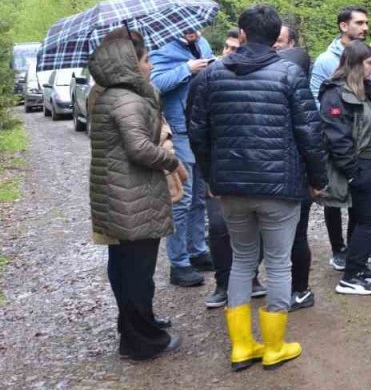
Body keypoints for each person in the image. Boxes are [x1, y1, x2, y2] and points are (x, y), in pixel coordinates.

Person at [188, 5, 328, 370]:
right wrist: (318, 180)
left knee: (242, 260)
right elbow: (309, 133)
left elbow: (197, 133)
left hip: (230, 187)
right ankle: (274, 345)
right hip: (279, 187)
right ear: (276, 35)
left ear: (243, 34)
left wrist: (210, 177)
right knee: (279, 263)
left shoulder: (209, 76)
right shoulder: (290, 74)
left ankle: (241, 345)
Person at [88, 28, 185, 361]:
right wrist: (172, 160)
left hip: (117, 195)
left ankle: (134, 327)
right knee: (137, 272)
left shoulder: (108, 95)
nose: (149, 66)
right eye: (145, 60)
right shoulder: (126, 100)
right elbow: (140, 148)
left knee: (127, 266)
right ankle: (143, 341)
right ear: (130, 64)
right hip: (132, 197)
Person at [311, 6, 371, 270]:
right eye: (359, 23)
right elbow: (316, 98)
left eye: (367, 22)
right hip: (342, 141)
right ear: (343, 26)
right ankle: (339, 249)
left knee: (367, 201)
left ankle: (367, 246)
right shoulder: (326, 60)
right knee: (336, 198)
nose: (365, 27)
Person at [196, 40, 267, 310]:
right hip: (219, 168)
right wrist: (207, 171)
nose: (231, 50)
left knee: (257, 222)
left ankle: (251, 276)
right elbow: (197, 129)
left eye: (236, 46)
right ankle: (223, 283)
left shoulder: (261, 76)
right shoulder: (207, 79)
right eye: (227, 46)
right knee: (217, 226)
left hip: (254, 165)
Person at [319, 41, 371, 297]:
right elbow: (336, 136)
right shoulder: (334, 93)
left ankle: (358, 268)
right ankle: (349, 277)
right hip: (359, 165)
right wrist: (352, 170)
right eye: (370, 63)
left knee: (362, 217)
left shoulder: (366, 88)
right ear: (357, 64)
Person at [149, 26, 214, 288]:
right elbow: (153, 85)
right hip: (180, 131)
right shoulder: (162, 48)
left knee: (200, 196)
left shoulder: (204, 45)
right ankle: (179, 262)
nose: (192, 32)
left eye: (196, 28)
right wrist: (186, 69)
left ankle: (197, 249)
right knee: (182, 199)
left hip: (204, 129)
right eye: (186, 29)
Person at [275, 22, 317, 310]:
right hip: (295, 175)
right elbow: (312, 139)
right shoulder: (302, 96)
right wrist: (319, 178)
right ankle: (297, 291)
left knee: (267, 241)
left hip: (263, 176)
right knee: (296, 235)